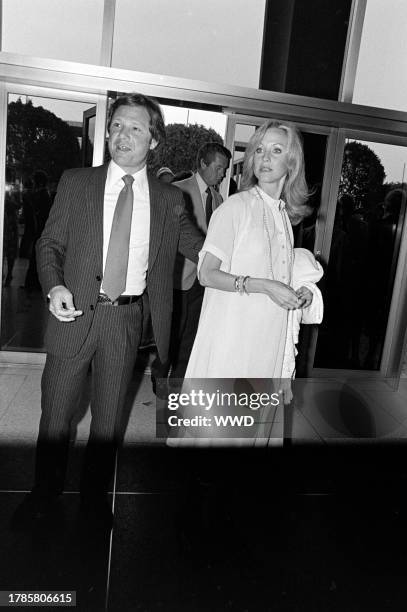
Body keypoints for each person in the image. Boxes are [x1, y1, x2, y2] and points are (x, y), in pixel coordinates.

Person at [12, 93, 203, 530]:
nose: (122, 135)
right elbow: (49, 244)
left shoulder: (170, 198)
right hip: (73, 314)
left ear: (154, 140)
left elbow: (202, 248)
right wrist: (54, 284)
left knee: (108, 417)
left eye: (135, 128)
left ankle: (94, 499)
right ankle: (44, 494)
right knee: (56, 413)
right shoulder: (78, 182)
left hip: (126, 321)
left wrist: (253, 269)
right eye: (117, 125)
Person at [185, 119, 315, 379]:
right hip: (232, 338)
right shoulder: (235, 207)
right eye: (259, 150)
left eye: (276, 150)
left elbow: (279, 276)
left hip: (268, 335)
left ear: (291, 162)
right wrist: (265, 286)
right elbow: (206, 274)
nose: (265, 157)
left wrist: (300, 294)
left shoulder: (283, 217)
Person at [153, 142, 231, 387]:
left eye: (225, 169)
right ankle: (159, 374)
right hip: (178, 277)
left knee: (191, 337)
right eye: (218, 168)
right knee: (171, 335)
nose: (222, 174)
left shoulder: (219, 199)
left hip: (203, 281)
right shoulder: (177, 190)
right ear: (202, 164)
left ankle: (177, 385)